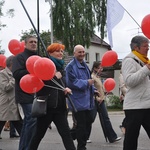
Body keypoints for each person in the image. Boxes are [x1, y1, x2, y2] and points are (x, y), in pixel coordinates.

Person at [29, 43, 76, 150]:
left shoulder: (61, 68)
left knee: (66, 135)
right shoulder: (42, 65)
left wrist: (66, 90)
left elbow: (62, 86)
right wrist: (54, 77)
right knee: (38, 135)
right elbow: (41, 86)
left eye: (61, 51)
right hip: (46, 108)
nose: (61, 53)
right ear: (50, 53)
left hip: (60, 108)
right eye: (57, 51)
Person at [65, 44, 96, 150]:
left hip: (87, 100)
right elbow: (72, 82)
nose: (82, 54)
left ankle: (70, 135)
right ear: (74, 53)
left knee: (89, 120)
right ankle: (81, 147)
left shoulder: (84, 64)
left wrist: (94, 91)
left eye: (83, 52)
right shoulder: (70, 67)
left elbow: (89, 80)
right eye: (79, 52)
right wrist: (87, 83)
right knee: (82, 125)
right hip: (77, 101)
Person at [122, 35, 150, 150]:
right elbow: (129, 81)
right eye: (145, 46)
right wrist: (146, 69)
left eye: (148, 46)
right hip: (134, 107)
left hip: (147, 104)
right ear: (136, 47)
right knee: (131, 140)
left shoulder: (144, 61)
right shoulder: (129, 60)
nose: (147, 48)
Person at [12, 35, 37, 150]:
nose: (33, 44)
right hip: (24, 93)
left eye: (35, 42)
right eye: (31, 42)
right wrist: (32, 70)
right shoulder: (19, 57)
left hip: (36, 93)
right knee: (31, 119)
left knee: (30, 122)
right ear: (25, 44)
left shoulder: (38, 57)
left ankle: (24, 147)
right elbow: (16, 74)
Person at [89, 61, 121, 143]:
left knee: (105, 119)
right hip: (95, 100)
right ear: (95, 68)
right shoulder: (92, 77)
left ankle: (112, 137)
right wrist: (96, 97)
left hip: (101, 100)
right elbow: (91, 89)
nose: (101, 69)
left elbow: (100, 88)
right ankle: (83, 136)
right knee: (90, 119)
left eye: (102, 68)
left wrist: (105, 91)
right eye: (99, 68)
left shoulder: (98, 77)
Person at [0, 55, 22, 138]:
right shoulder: (2, 74)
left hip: (14, 104)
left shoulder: (15, 73)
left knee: (20, 127)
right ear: (12, 64)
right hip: (6, 104)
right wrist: (14, 78)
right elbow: (6, 87)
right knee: (1, 122)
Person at [119, 70, 127, 134]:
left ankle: (124, 126)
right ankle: (123, 126)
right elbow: (122, 87)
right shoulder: (122, 75)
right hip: (126, 97)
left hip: (129, 96)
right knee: (129, 115)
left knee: (129, 115)